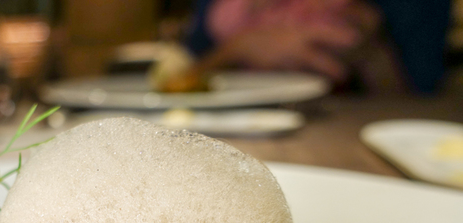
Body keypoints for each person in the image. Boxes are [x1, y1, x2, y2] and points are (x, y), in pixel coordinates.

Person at [186, 0, 452, 93]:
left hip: (345, 125)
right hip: (228, 125)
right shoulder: (222, 10)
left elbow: (421, 95)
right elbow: (184, 77)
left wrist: (370, 47)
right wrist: (238, 48)